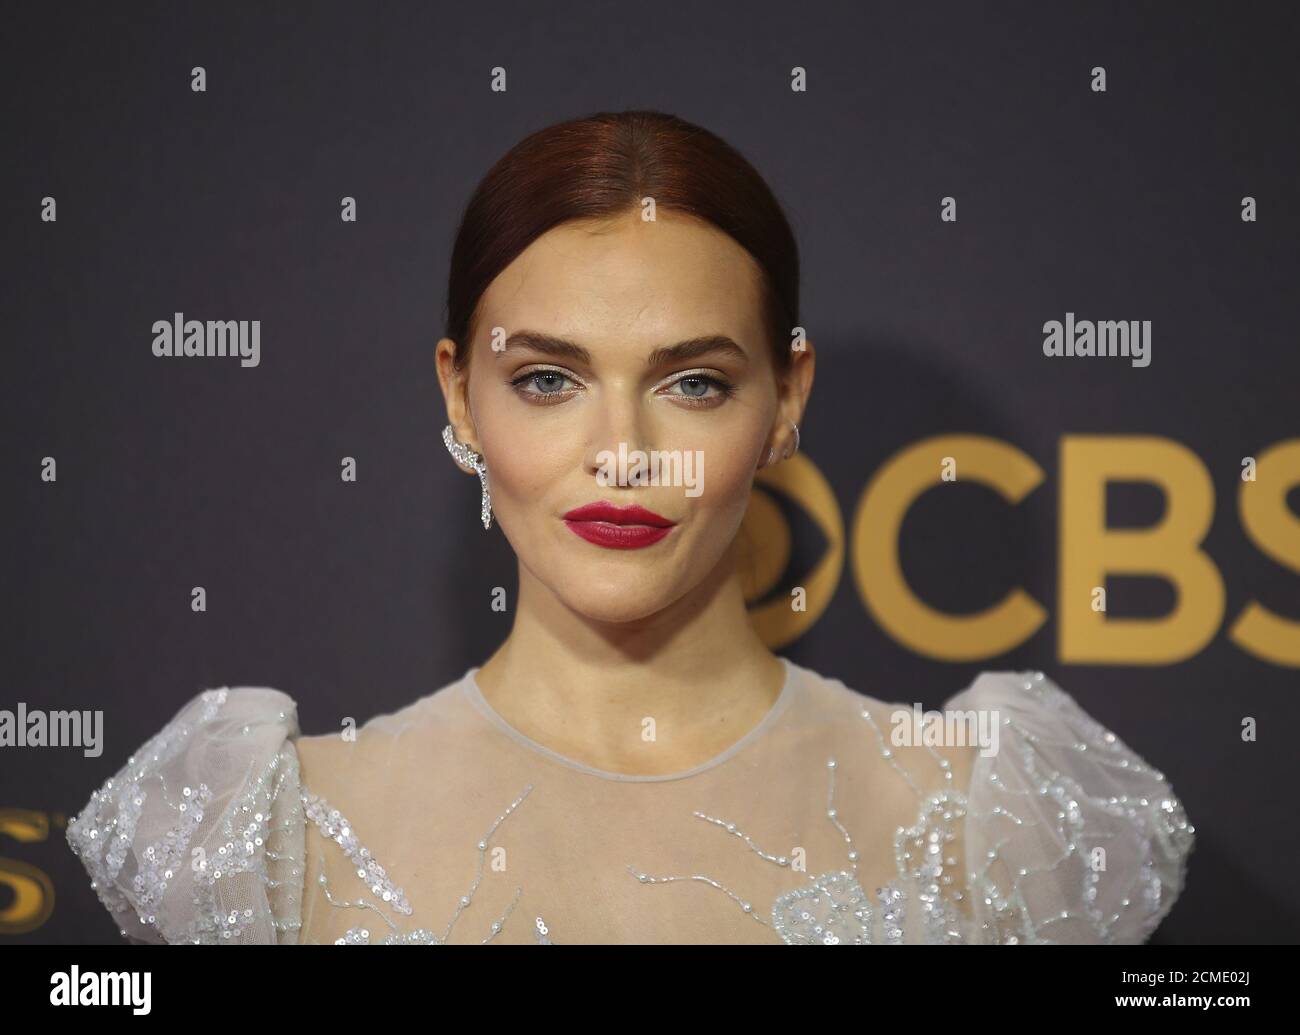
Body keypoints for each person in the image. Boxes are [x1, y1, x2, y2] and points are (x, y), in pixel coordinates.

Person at [66, 110, 1194, 945]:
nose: (622, 451)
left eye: (693, 383)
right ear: (459, 396)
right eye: (548, 380)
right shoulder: (263, 838)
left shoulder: (993, 818)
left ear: (786, 398)